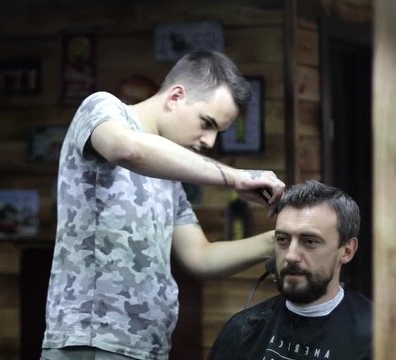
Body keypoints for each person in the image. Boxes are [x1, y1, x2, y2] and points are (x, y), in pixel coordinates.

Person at [40, 50, 286, 360]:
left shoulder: (168, 176)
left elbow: (201, 257)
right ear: (176, 97)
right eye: (206, 123)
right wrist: (235, 177)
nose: (210, 142)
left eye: (217, 132)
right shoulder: (104, 108)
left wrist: (279, 242)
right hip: (92, 344)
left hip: (149, 349)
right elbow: (125, 148)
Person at [208, 180, 372, 360]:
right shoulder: (243, 331)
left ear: (347, 250)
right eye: (283, 240)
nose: (291, 256)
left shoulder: (378, 336)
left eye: (310, 241)